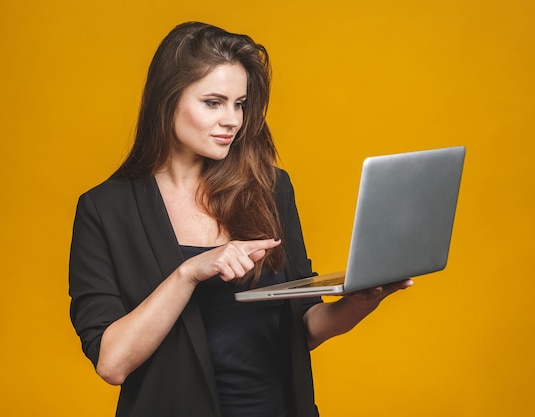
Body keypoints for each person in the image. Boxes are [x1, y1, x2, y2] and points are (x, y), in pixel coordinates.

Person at [69, 21, 412, 417]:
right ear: (168, 100)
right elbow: (112, 364)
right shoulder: (104, 210)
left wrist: (359, 302)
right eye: (213, 102)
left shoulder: (270, 188)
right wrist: (189, 273)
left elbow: (303, 327)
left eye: (240, 104)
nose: (233, 120)